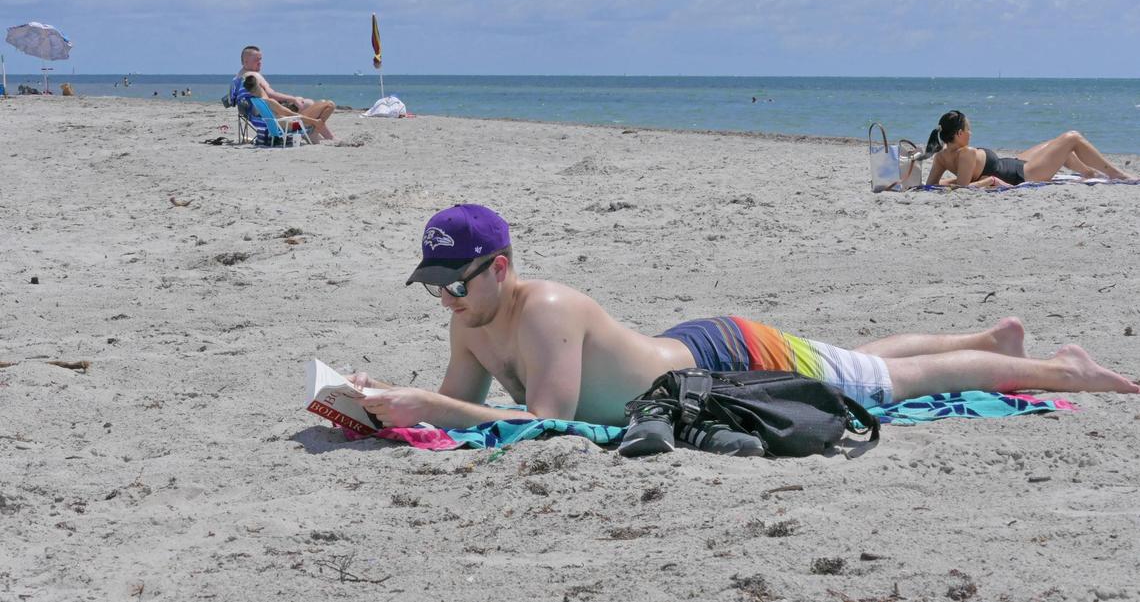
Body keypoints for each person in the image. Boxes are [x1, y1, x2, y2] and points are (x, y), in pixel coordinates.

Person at [346, 204, 1139, 430]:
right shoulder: (470, 320)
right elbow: (465, 408)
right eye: (435, 285)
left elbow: (544, 421)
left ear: (502, 268)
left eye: (456, 281)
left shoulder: (546, 309)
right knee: (848, 356)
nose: (446, 298)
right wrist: (394, 398)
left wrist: (423, 405)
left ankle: (1061, 369)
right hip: (693, 349)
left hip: (723, 366)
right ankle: (990, 339)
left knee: (888, 380)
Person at [924, 110, 1135, 187]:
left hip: (1012, 162)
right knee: (1072, 137)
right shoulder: (967, 153)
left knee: (1053, 143)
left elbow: (932, 184)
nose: (971, 133)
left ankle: (1087, 172)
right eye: (969, 130)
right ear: (959, 133)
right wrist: (985, 181)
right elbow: (963, 187)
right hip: (1022, 174)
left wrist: (948, 182)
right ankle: (1118, 174)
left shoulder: (942, 157)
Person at [237, 45, 336, 126]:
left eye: (260, 59)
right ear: (246, 61)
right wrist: (293, 100)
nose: (260, 62)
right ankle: (316, 134)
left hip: (260, 117)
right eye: (256, 60)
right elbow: (271, 95)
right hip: (282, 123)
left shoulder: (239, 78)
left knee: (305, 102)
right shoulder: (254, 76)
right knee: (319, 104)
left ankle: (316, 133)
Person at [242, 75, 336, 143]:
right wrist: (314, 121)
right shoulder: (269, 102)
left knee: (322, 102)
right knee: (330, 104)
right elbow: (292, 115)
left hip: (282, 126)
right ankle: (313, 133)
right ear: (259, 84)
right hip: (294, 125)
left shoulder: (256, 102)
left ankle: (314, 133)